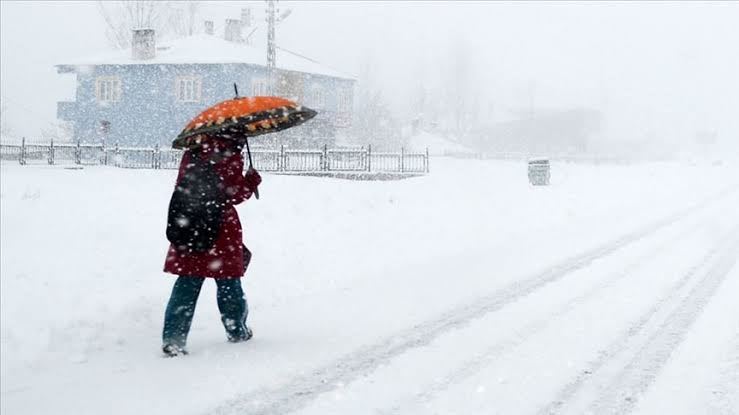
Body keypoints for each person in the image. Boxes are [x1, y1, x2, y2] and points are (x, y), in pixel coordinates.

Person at [161, 136, 261, 357]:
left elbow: (183, 184)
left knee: (187, 282)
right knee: (229, 282)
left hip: (191, 223)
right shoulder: (229, 153)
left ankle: (173, 338)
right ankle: (237, 330)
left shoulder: (193, 151)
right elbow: (234, 194)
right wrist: (251, 182)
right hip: (220, 227)